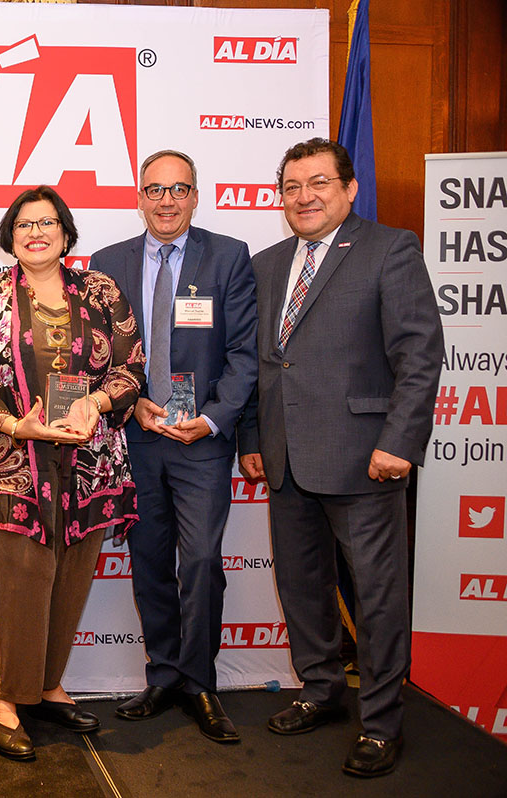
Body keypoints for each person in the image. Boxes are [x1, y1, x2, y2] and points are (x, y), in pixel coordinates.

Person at [236, 138, 444, 778]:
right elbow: (261, 365)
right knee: (302, 588)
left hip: (364, 459)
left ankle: (381, 723)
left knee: (377, 598)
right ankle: (322, 689)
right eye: (292, 186)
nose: (304, 196)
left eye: (319, 183)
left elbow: (419, 355)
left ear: (349, 189)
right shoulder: (268, 264)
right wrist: (252, 441)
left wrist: (398, 443)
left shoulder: (390, 248)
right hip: (287, 458)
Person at [0, 186, 145, 760]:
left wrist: (99, 404)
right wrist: (15, 426)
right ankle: (6, 700)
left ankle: (48, 684)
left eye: (48, 223)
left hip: (89, 463)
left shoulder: (100, 291)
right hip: (10, 469)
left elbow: (133, 366)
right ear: (11, 236)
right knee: (23, 584)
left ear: (65, 232)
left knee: (72, 577)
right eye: (25, 224)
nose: (37, 233)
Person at [90, 150, 257, 743]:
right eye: (155, 189)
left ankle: (200, 681)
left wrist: (212, 420)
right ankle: (162, 674)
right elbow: (99, 354)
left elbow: (244, 354)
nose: (166, 200)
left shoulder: (229, 256)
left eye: (178, 189)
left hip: (201, 442)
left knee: (204, 562)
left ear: (195, 195)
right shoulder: (107, 262)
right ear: (140, 196)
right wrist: (128, 401)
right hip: (135, 437)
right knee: (150, 561)